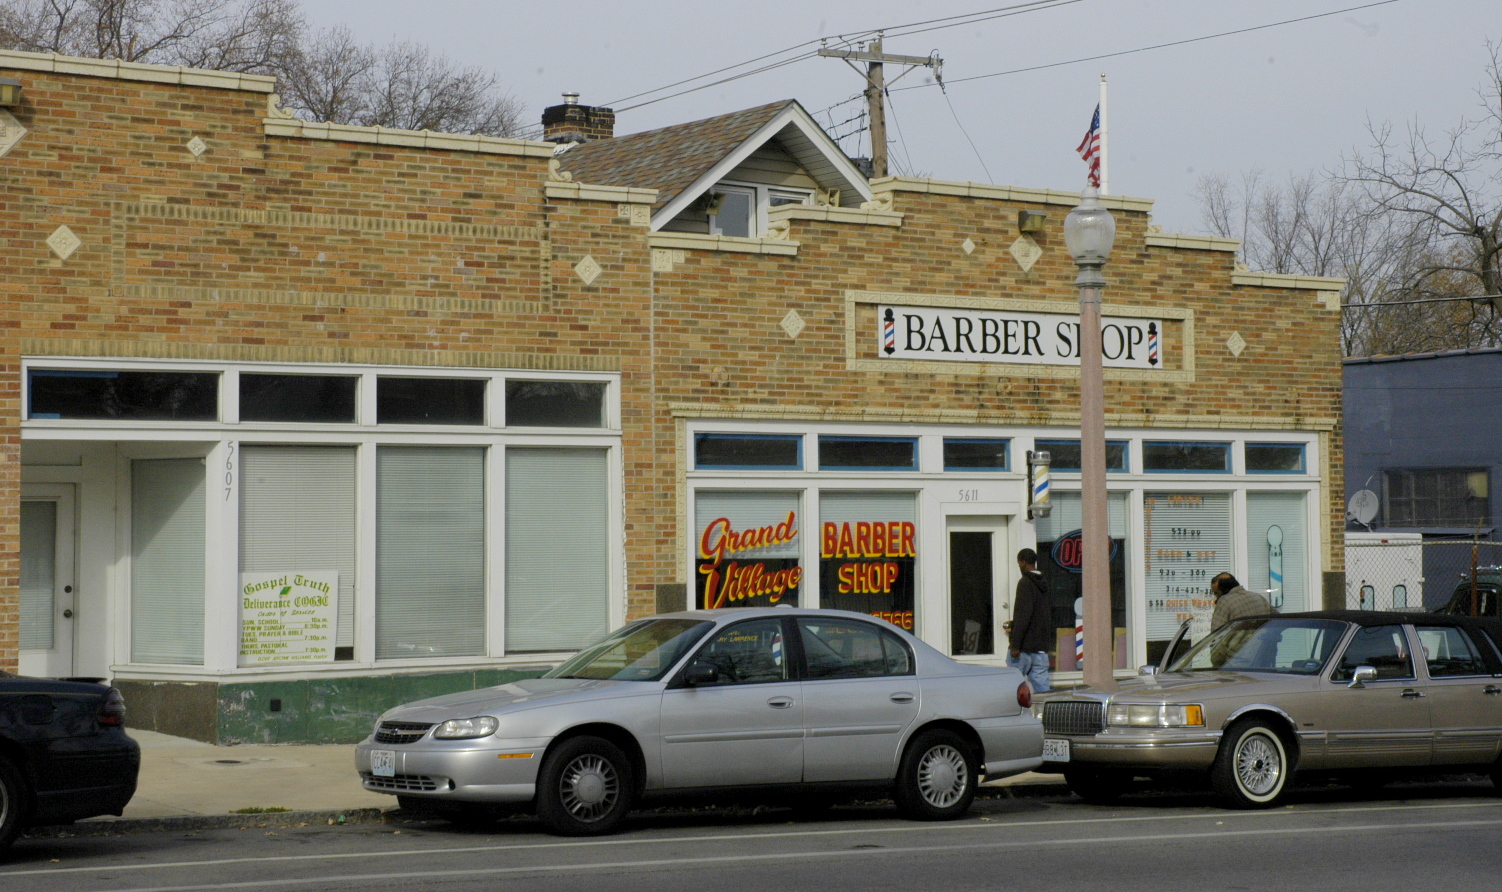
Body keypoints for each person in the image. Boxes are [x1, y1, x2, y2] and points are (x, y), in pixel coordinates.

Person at [1007, 548, 1052, 692]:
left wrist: (1015, 644)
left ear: (1023, 562)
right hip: (1041, 647)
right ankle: (1046, 713)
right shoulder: (1044, 583)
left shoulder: (1025, 583)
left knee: (1013, 687)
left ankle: (1016, 714)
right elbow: (1039, 614)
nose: (1019, 566)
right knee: (1043, 690)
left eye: (1019, 563)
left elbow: (1023, 615)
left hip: (1025, 648)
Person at [1208, 572, 1273, 630]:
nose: (1215, 596)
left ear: (1224, 591)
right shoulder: (1258, 597)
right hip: (1261, 642)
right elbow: (1278, 620)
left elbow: (1217, 631)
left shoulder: (1225, 601)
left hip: (1239, 643)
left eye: (1216, 593)